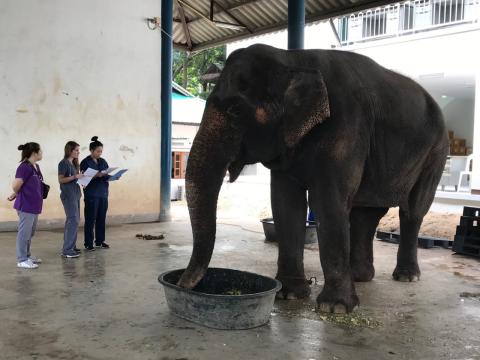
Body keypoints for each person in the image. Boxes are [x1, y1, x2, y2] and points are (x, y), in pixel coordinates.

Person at [7, 142, 44, 269]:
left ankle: (27, 255)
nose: (41, 153)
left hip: (35, 205)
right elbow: (16, 185)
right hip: (26, 205)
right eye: (40, 151)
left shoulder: (36, 167)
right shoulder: (24, 167)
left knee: (30, 232)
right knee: (24, 233)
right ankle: (22, 259)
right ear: (34, 153)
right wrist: (16, 193)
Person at [80, 136, 111, 251]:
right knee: (90, 219)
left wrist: (110, 176)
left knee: (101, 218)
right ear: (91, 150)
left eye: (101, 151)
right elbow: (83, 179)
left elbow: (106, 174)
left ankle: (100, 241)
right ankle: (88, 243)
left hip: (103, 193)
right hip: (91, 195)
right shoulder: (85, 162)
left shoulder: (103, 161)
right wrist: (96, 175)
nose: (100, 153)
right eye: (98, 151)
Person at [58, 141, 84, 258]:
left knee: (75, 220)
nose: (79, 152)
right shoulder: (63, 163)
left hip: (75, 194)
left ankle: (71, 246)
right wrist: (75, 177)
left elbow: (75, 179)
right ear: (70, 150)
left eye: (79, 150)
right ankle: (67, 250)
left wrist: (82, 181)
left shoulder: (74, 164)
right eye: (76, 150)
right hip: (68, 195)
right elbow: (61, 180)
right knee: (72, 220)